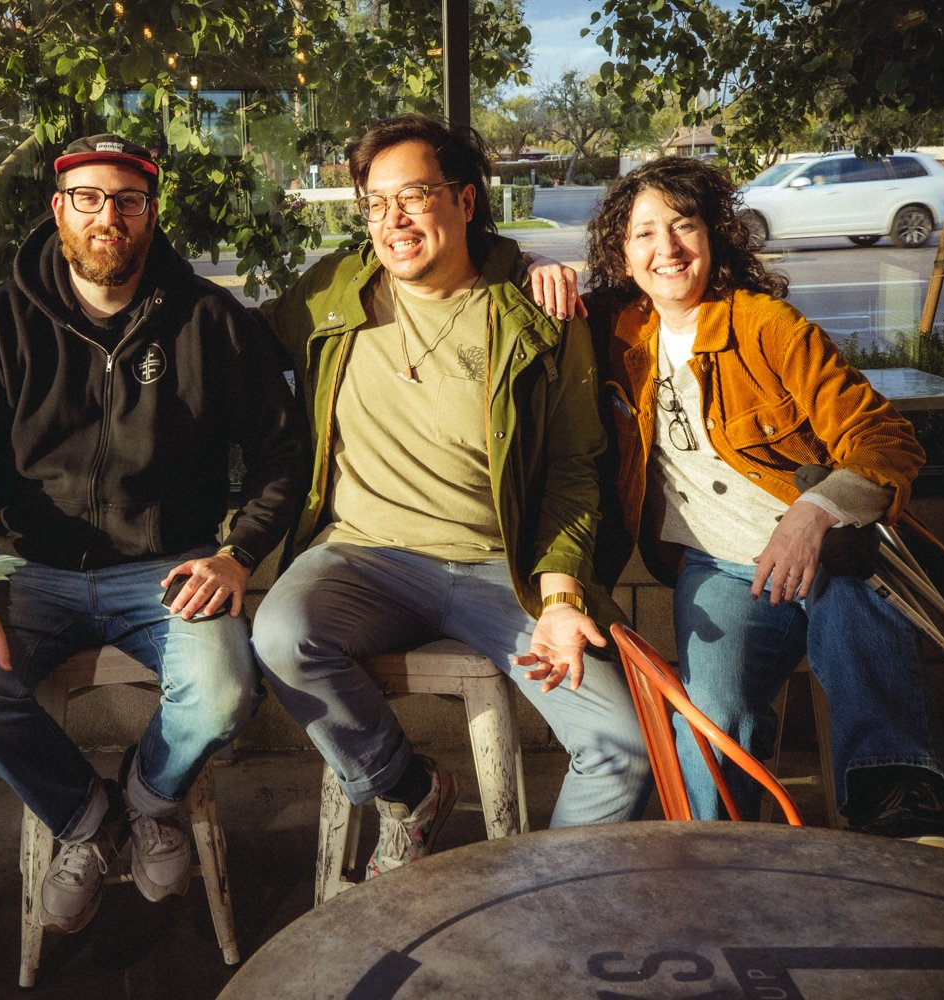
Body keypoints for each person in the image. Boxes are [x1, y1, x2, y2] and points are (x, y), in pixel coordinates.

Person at [0, 134, 308, 934]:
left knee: (225, 693)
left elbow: (282, 451)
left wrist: (239, 554)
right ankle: (88, 821)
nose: (109, 217)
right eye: (89, 199)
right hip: (28, 568)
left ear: (150, 214)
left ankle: (149, 798)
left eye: (127, 201)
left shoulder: (209, 321)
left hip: (169, 566)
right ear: (59, 211)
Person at [251, 113, 652, 881]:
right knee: (280, 636)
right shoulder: (332, 293)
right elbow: (220, 346)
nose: (391, 221)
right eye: (373, 204)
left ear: (465, 202)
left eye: (414, 196)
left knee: (622, 749)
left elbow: (576, 464)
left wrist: (561, 593)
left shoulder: (536, 310)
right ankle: (410, 791)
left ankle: (541, 906)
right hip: (359, 557)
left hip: (501, 572)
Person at [549, 154, 944, 844]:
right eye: (644, 233)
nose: (667, 249)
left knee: (855, 594)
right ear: (620, 255)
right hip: (719, 566)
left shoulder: (767, 327)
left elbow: (882, 433)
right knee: (710, 715)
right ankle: (714, 858)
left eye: (683, 227)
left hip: (823, 547)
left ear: (713, 238)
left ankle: (904, 815)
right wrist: (540, 275)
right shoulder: (613, 334)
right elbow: (521, 307)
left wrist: (815, 510)